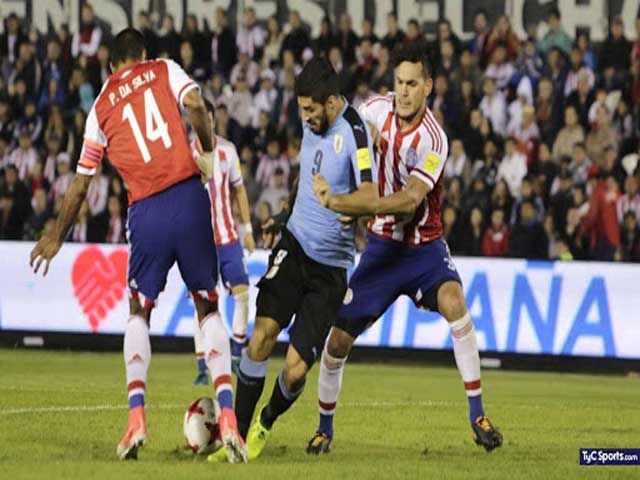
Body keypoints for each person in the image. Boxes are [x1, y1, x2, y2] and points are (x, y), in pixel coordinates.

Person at [28, 28, 247, 464]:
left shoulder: (101, 103)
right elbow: (196, 104)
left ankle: (136, 420)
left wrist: (56, 233)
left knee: (139, 311)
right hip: (188, 198)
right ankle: (228, 419)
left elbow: (80, 184)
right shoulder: (164, 69)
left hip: (145, 211)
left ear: (111, 65)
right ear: (144, 55)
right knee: (207, 308)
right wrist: (205, 146)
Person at [308, 43, 502, 455]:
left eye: (413, 83)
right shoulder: (375, 109)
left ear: (428, 86)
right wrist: (358, 153)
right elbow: (350, 141)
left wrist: (358, 206)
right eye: (399, 82)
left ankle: (478, 416)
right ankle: (324, 428)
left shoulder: (435, 139)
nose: (404, 92)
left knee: (455, 302)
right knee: (337, 341)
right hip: (380, 250)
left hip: (424, 250)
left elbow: (411, 199)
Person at [207, 57, 376, 463]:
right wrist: (284, 215)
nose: (305, 117)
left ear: (332, 102)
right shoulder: (310, 122)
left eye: (311, 110)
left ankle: (266, 420)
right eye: (302, 109)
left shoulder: (354, 134)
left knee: (297, 368)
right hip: (295, 245)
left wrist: (334, 201)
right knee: (261, 336)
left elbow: (370, 198)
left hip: (332, 268)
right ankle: (238, 439)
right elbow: (308, 174)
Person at [191, 98, 256, 385]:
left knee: (242, 294)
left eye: (207, 117)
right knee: (203, 303)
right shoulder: (184, 154)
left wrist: (248, 229)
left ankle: (238, 354)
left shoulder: (227, 151)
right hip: (199, 242)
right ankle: (204, 367)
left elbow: (239, 191)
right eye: (199, 118)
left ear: (213, 119)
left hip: (228, 238)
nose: (204, 122)